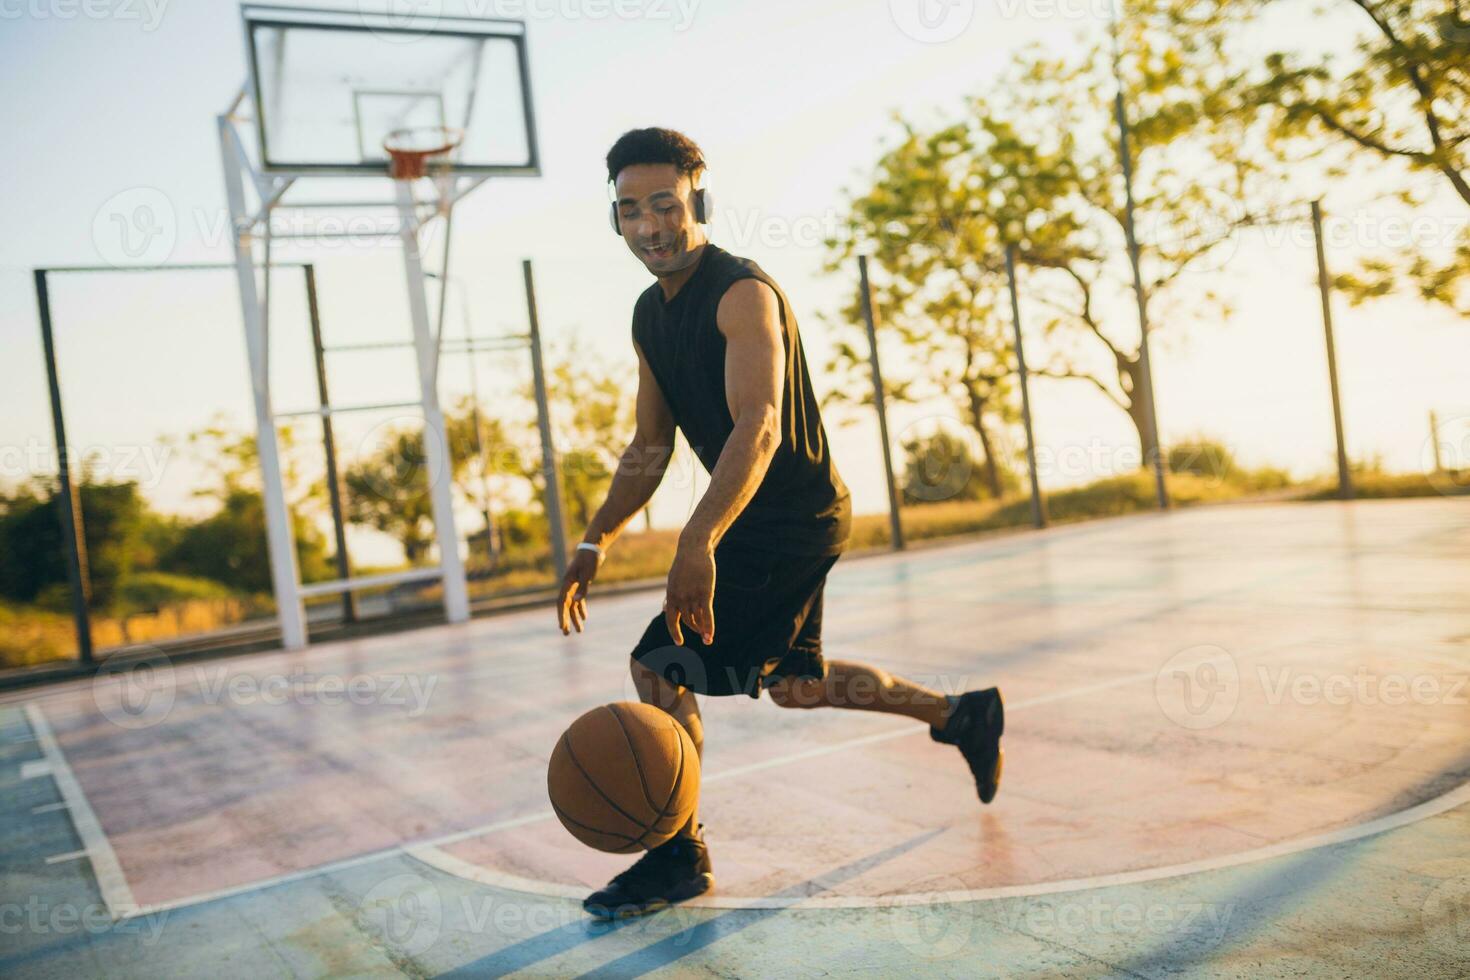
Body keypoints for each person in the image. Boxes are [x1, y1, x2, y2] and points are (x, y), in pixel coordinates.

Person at [555, 127, 1004, 920]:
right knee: (795, 685)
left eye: (666, 204)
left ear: (699, 202)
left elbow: (756, 425)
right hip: (770, 518)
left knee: (661, 666)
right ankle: (959, 713)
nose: (651, 225)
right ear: (615, 221)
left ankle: (677, 854)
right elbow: (650, 444)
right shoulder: (647, 316)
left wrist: (698, 542)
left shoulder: (741, 294)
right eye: (631, 210)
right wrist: (597, 538)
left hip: (787, 517)